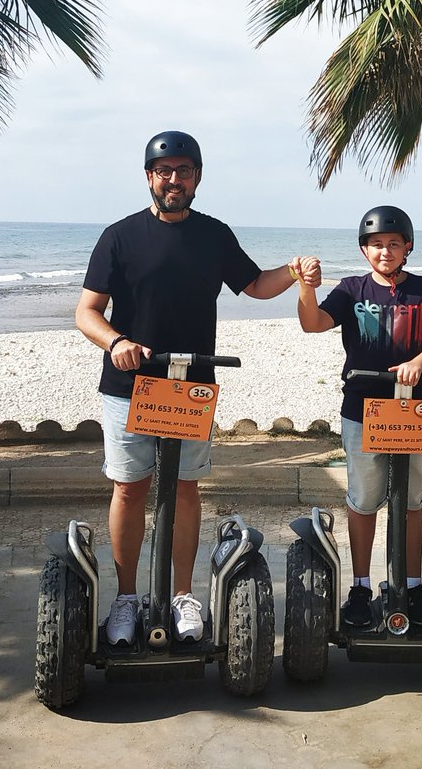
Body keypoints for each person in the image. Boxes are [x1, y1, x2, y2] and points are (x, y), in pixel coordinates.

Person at [75, 130, 314, 647]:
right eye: (164, 171)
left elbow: (254, 285)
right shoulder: (119, 237)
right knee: (128, 488)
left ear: (197, 177)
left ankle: (184, 595)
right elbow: (86, 311)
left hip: (189, 386)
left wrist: (293, 272)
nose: (174, 180)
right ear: (149, 178)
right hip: (128, 386)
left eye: (184, 171)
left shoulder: (214, 235)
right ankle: (125, 599)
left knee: (185, 490)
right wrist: (116, 341)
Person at [295, 205, 422, 629]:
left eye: (394, 244)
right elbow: (314, 324)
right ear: (365, 250)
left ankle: (413, 586)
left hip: (412, 410)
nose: (385, 251)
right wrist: (307, 288)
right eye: (377, 245)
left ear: (408, 248)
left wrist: (418, 363)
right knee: (364, 501)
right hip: (363, 410)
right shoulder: (351, 289)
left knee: (411, 501)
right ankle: (361, 587)